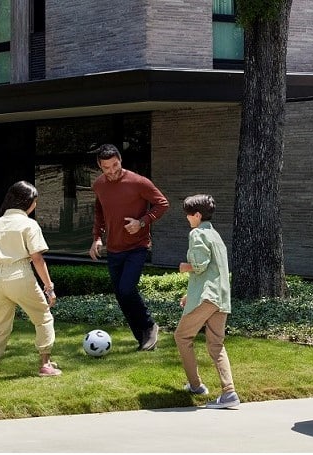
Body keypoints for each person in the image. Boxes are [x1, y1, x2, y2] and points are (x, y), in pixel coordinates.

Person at [0, 181, 61, 382]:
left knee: (0, 327)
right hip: (19, 274)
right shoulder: (29, 224)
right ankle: (45, 364)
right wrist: (49, 287)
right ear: (29, 202)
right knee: (43, 316)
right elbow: (37, 258)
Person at [89, 144, 169, 351]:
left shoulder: (138, 182)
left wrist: (141, 222)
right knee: (121, 295)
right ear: (100, 166)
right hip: (114, 248)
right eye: (107, 167)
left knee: (126, 289)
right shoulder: (99, 185)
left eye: (115, 165)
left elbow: (162, 204)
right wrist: (97, 238)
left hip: (137, 246)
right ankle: (141, 337)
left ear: (120, 160)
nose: (112, 170)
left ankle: (150, 326)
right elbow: (99, 210)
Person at [175, 194, 240, 409]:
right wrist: (189, 294)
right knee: (216, 345)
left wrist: (185, 266)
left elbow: (200, 266)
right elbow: (213, 272)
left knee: (182, 337)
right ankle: (229, 392)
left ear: (197, 215)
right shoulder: (216, 236)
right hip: (220, 297)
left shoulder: (197, 233)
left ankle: (196, 386)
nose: (187, 219)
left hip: (207, 298)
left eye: (188, 215)